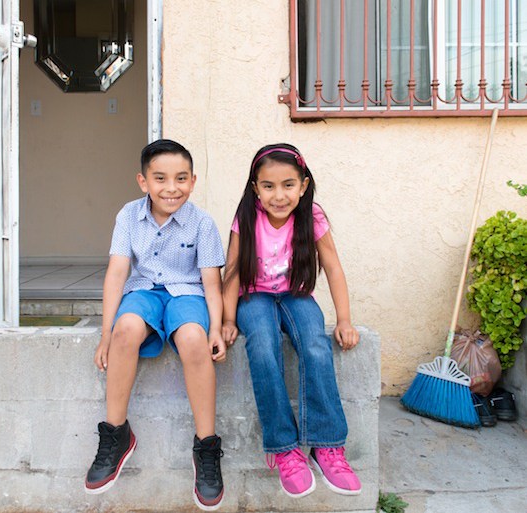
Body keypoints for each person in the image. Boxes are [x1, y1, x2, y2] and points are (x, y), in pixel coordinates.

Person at [84, 139, 227, 511]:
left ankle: (207, 447)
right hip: (144, 290)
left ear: (193, 181)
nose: (171, 187)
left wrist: (216, 328)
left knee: (193, 338)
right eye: (160, 178)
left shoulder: (202, 222)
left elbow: (212, 283)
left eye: (181, 178)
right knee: (126, 330)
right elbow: (117, 274)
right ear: (143, 181)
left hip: (188, 294)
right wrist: (105, 336)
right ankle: (116, 435)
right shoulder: (128, 216)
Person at [222, 143, 362, 498]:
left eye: (288, 185)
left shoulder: (312, 217)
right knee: (264, 348)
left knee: (315, 345)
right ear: (255, 187)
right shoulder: (247, 216)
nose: (278, 195)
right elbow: (234, 269)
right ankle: (284, 449)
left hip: (296, 295)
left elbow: (332, 266)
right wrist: (226, 320)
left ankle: (327, 444)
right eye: (268, 186)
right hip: (254, 297)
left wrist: (344, 319)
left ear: (303, 185)